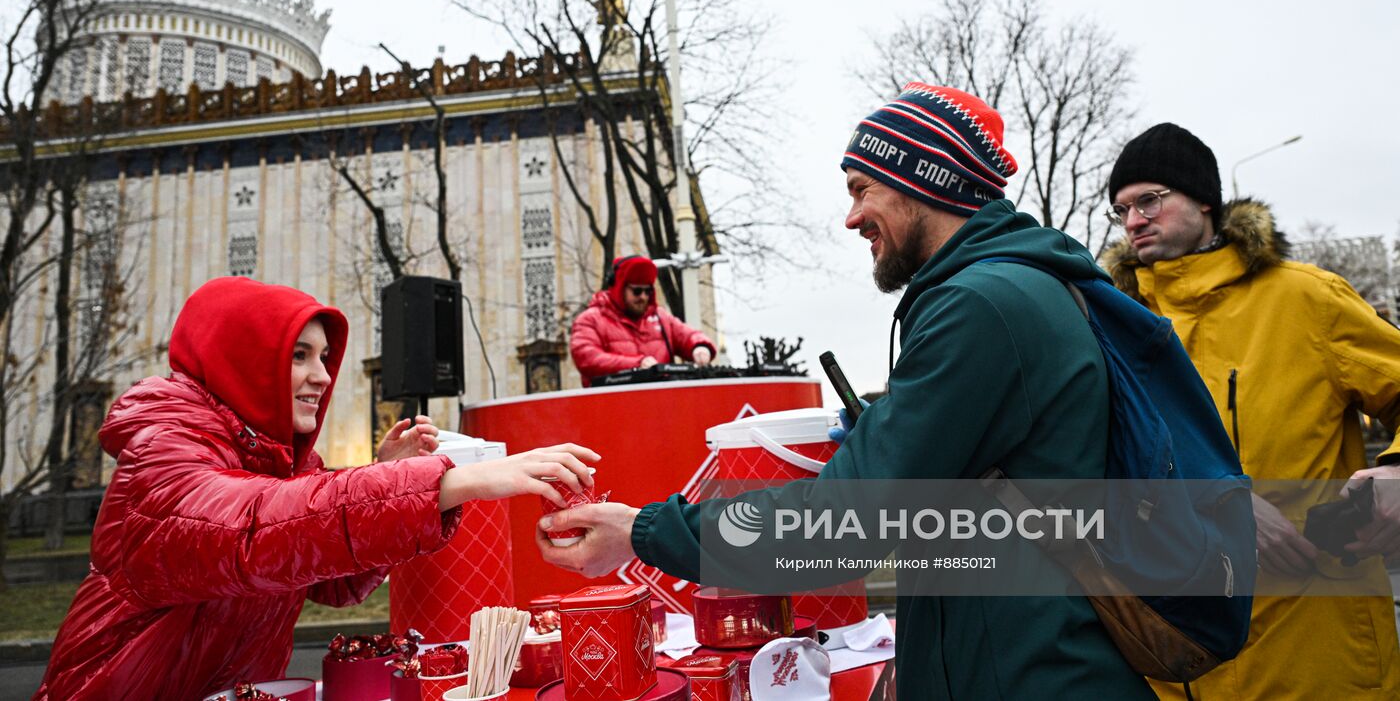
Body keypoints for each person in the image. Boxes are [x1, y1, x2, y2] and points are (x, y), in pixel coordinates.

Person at [540, 83, 1155, 699]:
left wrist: (644, 533)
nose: (852, 216)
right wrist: (892, 435)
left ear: (926, 181)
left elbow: (843, 521)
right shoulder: (1012, 287)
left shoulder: (980, 306)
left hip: (1034, 675)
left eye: (863, 189)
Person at [35, 276, 599, 701]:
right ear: (242, 362)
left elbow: (334, 582)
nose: (322, 377)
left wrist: (384, 477)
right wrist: (447, 479)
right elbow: (251, 528)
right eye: (298, 356)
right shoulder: (162, 450)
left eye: (324, 357)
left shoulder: (281, 463)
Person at [1102, 123, 1400, 701]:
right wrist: (1222, 503)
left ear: (1205, 200)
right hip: (1177, 662)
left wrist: (1396, 470)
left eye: (1150, 200)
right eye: (1121, 209)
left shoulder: (1308, 299)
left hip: (1317, 652)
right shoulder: (1111, 329)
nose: (1134, 219)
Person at [569, 254, 716, 386]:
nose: (643, 297)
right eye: (637, 291)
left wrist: (700, 347)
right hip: (611, 408)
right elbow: (587, 359)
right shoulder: (590, 320)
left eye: (648, 291)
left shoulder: (661, 317)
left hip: (661, 406)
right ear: (619, 288)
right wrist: (636, 364)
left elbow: (688, 335)